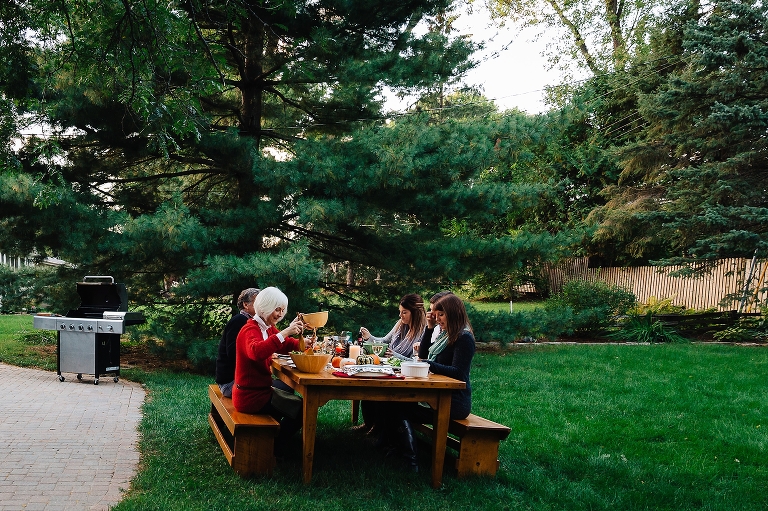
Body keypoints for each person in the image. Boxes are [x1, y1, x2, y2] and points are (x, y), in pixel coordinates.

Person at [382, 293, 476, 472]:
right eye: (435, 314)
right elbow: (423, 355)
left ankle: (411, 461)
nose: (436, 317)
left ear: (453, 313)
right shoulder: (445, 335)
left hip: (454, 402)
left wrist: (428, 364)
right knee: (391, 402)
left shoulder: (464, 338)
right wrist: (430, 328)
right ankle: (394, 447)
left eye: (441, 314)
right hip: (437, 395)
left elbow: (459, 373)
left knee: (399, 408)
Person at [232, 286, 307, 457]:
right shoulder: (249, 329)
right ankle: (274, 450)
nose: (280, 314)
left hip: (259, 392)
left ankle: (274, 443)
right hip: (251, 398)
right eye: (277, 309)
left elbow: (284, 343)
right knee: (302, 409)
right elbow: (257, 352)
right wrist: (287, 331)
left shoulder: (266, 327)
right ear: (265, 306)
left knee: (297, 404)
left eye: (283, 310)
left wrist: (303, 343)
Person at [215, 287, 260, 397]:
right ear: (246, 305)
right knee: (280, 390)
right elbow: (233, 354)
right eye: (258, 302)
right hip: (230, 383)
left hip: (240, 380)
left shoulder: (251, 322)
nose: (262, 306)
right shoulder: (239, 321)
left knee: (282, 389)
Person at [360, 293, 427, 361]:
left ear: (415, 313)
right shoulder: (400, 324)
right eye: (400, 311)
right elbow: (384, 341)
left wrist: (395, 356)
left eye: (404, 312)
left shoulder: (424, 333)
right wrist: (369, 337)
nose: (400, 315)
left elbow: (416, 361)